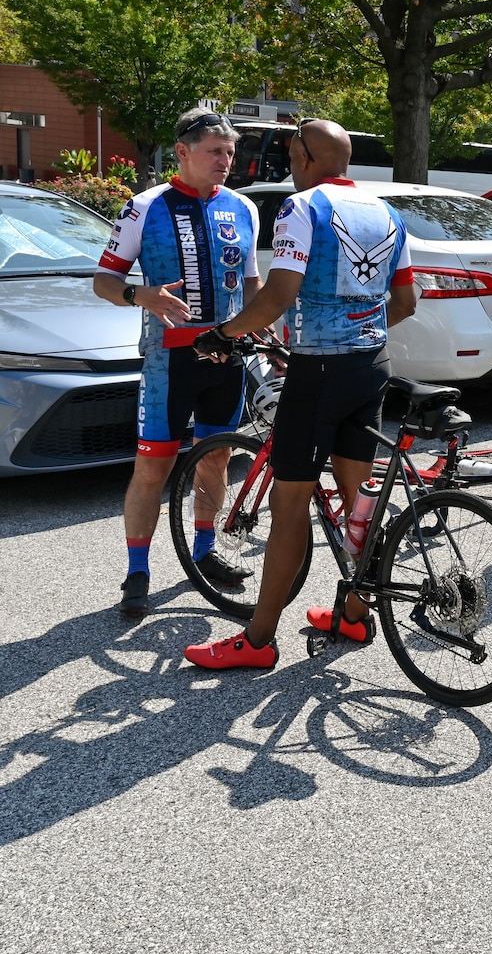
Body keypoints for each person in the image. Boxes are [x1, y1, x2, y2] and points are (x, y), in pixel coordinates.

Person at [181, 119, 416, 669]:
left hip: (320, 376)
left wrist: (223, 334)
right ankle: (354, 616)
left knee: (289, 510)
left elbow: (278, 296)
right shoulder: (387, 213)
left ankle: (257, 641)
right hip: (370, 366)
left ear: (307, 158)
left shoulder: (302, 208)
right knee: (358, 506)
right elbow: (404, 302)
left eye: (290, 157)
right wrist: (353, 335)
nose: (288, 169)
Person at [92, 109, 263, 616]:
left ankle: (206, 551)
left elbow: (251, 280)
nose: (226, 161)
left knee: (215, 458)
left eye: (230, 152)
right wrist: (140, 294)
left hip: (226, 357)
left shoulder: (242, 208)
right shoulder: (144, 206)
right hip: (170, 360)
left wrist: (261, 324)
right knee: (153, 466)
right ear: (183, 152)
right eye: (216, 151)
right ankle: (137, 570)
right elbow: (103, 281)